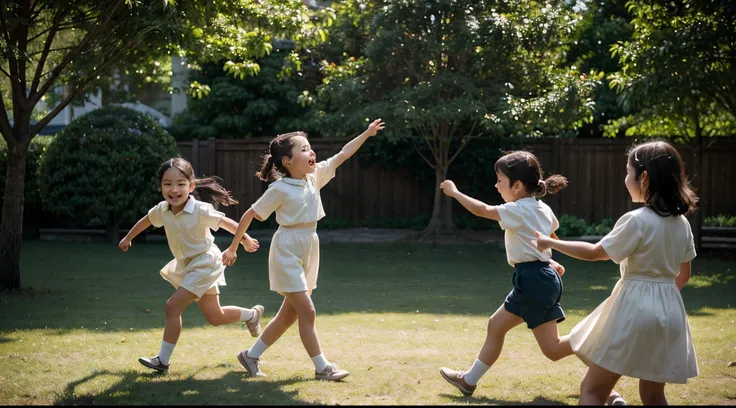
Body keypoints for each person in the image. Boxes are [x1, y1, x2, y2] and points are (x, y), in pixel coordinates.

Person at [534, 140, 698, 405]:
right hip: (670, 312)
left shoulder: (637, 220)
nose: (626, 178)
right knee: (654, 394)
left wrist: (550, 242)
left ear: (643, 177)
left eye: (627, 171)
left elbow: (596, 252)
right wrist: (659, 298)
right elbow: (683, 276)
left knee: (592, 390)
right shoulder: (682, 224)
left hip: (634, 309)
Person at [221, 119, 386, 381]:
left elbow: (343, 154)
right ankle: (323, 367)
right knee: (307, 311)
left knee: (289, 314)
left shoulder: (314, 177)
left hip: (310, 243)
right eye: (304, 149)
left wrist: (366, 133)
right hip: (287, 247)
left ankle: (250, 356)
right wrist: (233, 247)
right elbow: (250, 214)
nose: (311, 153)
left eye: (310, 148)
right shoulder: (279, 189)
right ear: (287, 161)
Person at [119, 158, 263, 372]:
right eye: (167, 184)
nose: (174, 189)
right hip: (187, 265)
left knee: (172, 306)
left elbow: (227, 223)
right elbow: (147, 220)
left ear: (191, 186)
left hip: (205, 262)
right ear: (160, 187)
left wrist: (245, 240)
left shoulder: (200, 210)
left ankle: (163, 361)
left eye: (180, 184)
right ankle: (251, 315)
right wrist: (128, 238)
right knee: (215, 317)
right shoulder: (162, 209)